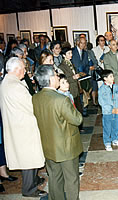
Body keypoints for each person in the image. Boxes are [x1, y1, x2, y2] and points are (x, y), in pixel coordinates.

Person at [33, 65, 83, 200]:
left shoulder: (35, 98)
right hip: (66, 146)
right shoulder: (61, 99)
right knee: (71, 179)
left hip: (48, 146)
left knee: (54, 178)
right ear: (50, 79)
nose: (57, 76)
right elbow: (77, 120)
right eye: (56, 75)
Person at [0, 57, 46, 197]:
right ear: (16, 69)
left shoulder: (7, 82)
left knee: (31, 157)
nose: (25, 71)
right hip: (23, 127)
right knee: (28, 159)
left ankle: (34, 180)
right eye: (23, 68)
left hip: (18, 125)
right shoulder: (15, 86)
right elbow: (31, 105)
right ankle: (29, 189)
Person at [98, 69, 118, 151]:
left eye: (113, 76)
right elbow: (102, 101)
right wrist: (110, 109)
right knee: (107, 127)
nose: (113, 78)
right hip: (107, 112)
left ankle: (115, 139)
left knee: (115, 126)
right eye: (111, 76)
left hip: (116, 110)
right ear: (105, 78)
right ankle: (107, 142)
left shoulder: (115, 86)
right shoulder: (102, 89)